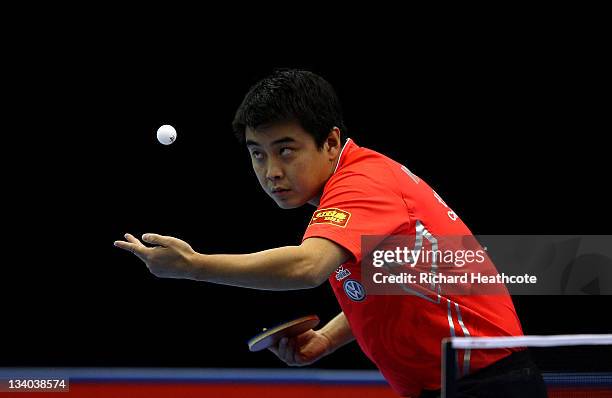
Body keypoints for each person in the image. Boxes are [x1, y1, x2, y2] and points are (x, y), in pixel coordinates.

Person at [114, 69, 547, 397]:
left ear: (331, 142)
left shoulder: (361, 184)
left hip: (488, 383)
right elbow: (392, 280)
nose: (271, 172)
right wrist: (326, 339)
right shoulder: (347, 195)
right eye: (257, 155)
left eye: (285, 150)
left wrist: (193, 267)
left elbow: (308, 267)